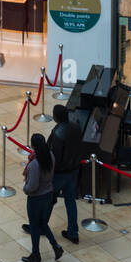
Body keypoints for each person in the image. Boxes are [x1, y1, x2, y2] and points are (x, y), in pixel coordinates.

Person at [21, 133, 63, 262]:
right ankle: (56, 246)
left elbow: (32, 186)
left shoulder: (34, 164)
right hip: (48, 195)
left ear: (33, 146)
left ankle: (36, 254)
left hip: (36, 199)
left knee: (34, 226)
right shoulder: (50, 155)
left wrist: (25, 188)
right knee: (43, 224)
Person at [47, 104, 83, 245]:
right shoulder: (76, 127)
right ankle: (73, 233)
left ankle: (41, 226)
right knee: (70, 201)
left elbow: (55, 157)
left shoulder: (57, 133)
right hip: (74, 170)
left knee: (49, 200)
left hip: (60, 173)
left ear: (56, 117)